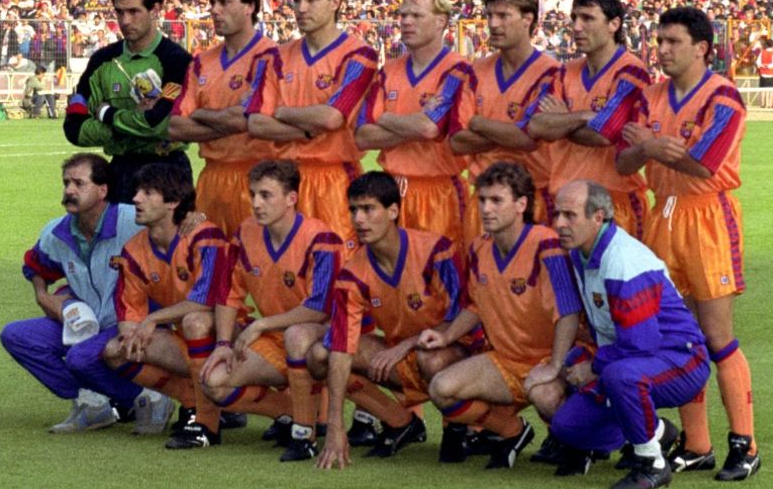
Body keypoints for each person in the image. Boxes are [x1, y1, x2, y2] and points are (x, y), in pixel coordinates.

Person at [617, 6, 760, 482]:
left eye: (673, 42)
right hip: (664, 215)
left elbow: (705, 163)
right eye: (659, 41)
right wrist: (655, 149)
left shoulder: (723, 97)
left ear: (701, 48)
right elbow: (623, 161)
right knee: (679, 337)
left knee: (717, 337)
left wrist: (651, 147)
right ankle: (698, 445)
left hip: (707, 217)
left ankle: (745, 444)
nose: (662, 50)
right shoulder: (650, 96)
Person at [542, 180, 710, 489]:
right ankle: (656, 432)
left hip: (682, 359)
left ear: (599, 217)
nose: (559, 224)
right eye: (557, 214)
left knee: (621, 377)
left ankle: (652, 463)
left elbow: (640, 343)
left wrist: (594, 367)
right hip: (637, 357)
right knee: (567, 427)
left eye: (569, 216)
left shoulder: (622, 261)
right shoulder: (581, 252)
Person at [418, 162, 583, 469]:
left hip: (548, 360)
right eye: (482, 200)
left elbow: (569, 312)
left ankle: (579, 445)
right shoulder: (479, 247)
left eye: (496, 200)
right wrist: (446, 335)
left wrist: (556, 365)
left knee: (546, 394)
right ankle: (512, 432)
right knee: (441, 389)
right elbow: (475, 306)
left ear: (521, 204)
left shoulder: (545, 245)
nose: (486, 209)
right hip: (505, 362)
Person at [312, 172, 473, 469]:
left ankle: (461, 428)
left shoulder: (435, 251)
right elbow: (341, 346)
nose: (359, 219)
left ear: (393, 211)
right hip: (404, 357)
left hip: (458, 354)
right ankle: (400, 421)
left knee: (432, 359)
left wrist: (408, 345)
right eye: (354, 210)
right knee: (321, 355)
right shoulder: (352, 273)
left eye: (368, 209)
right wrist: (335, 426)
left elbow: (463, 318)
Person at [0, 154, 169, 434]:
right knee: (17, 337)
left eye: (79, 183)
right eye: (66, 182)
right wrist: (42, 295)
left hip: (132, 321)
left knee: (81, 358)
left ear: (102, 190)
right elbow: (35, 265)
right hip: (86, 323)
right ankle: (93, 403)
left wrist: (194, 218)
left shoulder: (134, 221)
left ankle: (148, 397)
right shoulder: (56, 231)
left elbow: (177, 231)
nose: (69, 190)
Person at [201, 160, 342, 462]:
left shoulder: (321, 239)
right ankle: (293, 411)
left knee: (296, 334)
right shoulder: (245, 233)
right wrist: (224, 345)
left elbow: (319, 309)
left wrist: (260, 325)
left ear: (291, 198)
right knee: (215, 383)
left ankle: (304, 434)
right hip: (275, 338)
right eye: (252, 194)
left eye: (266, 195)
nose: (256, 203)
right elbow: (228, 294)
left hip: (320, 339)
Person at [244, 0, 378, 243]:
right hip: (283, 179)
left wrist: (281, 112)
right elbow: (256, 122)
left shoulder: (359, 55)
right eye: (296, 0)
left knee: (338, 264)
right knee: (288, 268)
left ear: (335, 2)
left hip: (335, 179)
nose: (301, 8)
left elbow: (331, 118)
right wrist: (306, 129)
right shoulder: (276, 57)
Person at [104, 162, 231, 447]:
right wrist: (131, 334)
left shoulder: (205, 237)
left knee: (195, 321)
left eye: (148, 193)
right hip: (187, 339)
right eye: (137, 191)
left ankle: (207, 421)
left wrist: (152, 319)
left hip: (230, 335)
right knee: (117, 351)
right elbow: (129, 311)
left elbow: (206, 301)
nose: (136, 198)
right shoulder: (134, 250)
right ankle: (191, 399)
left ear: (173, 202)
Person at [526, 0, 652, 239]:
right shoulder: (565, 72)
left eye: (588, 18)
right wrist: (584, 116)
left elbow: (604, 134)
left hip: (612, 203)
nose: (577, 26)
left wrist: (561, 122)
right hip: (564, 201)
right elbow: (536, 126)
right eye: (575, 18)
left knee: (614, 279)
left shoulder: (631, 72)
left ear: (613, 24)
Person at [355, 0, 474, 248]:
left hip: (439, 193)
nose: (406, 21)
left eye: (417, 16)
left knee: (440, 278)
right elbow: (362, 136)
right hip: (390, 191)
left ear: (441, 21)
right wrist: (414, 124)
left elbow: (428, 128)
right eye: (403, 15)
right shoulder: (389, 71)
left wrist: (385, 118)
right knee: (390, 278)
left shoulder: (458, 70)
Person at [64, 0, 194, 203]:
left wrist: (106, 114)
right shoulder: (101, 61)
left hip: (168, 170)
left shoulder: (177, 60)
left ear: (154, 10)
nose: (125, 21)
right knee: (118, 240)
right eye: (119, 12)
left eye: (134, 12)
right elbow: (73, 128)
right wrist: (132, 123)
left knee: (169, 240)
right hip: (120, 172)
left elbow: (161, 124)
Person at [169, 0, 278, 237]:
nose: (215, 10)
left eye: (225, 2)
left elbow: (252, 121)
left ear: (249, 6)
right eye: (212, 3)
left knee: (255, 267)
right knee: (208, 263)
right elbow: (174, 127)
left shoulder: (272, 57)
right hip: (211, 182)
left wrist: (202, 114)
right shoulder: (201, 62)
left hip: (258, 180)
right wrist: (234, 119)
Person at [450, 0, 560, 233]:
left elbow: (527, 139)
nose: (493, 24)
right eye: (489, 15)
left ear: (528, 18)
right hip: (483, 201)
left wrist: (478, 123)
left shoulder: (552, 75)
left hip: (533, 201)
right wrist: (510, 133)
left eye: (503, 15)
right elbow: (456, 141)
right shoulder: (476, 71)